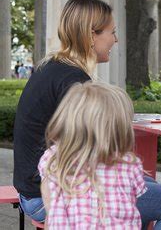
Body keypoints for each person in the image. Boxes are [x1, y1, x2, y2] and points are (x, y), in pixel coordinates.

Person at [13, 0, 161, 229]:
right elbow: (93, 154)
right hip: (49, 197)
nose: (115, 40)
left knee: (145, 184)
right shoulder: (74, 81)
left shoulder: (54, 67)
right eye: (112, 32)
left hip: (35, 187)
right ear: (91, 35)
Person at [39, 82, 145, 228]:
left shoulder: (52, 158)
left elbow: (50, 208)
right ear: (117, 126)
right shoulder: (129, 163)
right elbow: (132, 202)